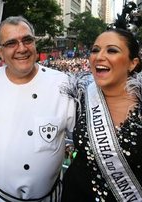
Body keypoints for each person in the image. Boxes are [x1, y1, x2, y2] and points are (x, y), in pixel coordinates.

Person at [0, 16, 76, 201]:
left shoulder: (63, 83)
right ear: (0, 52)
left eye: (27, 40)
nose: (22, 48)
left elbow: (83, 136)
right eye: (11, 43)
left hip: (50, 197)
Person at [61, 26, 142, 202]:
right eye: (95, 50)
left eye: (112, 50)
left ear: (132, 63)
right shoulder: (79, 98)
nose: (99, 56)